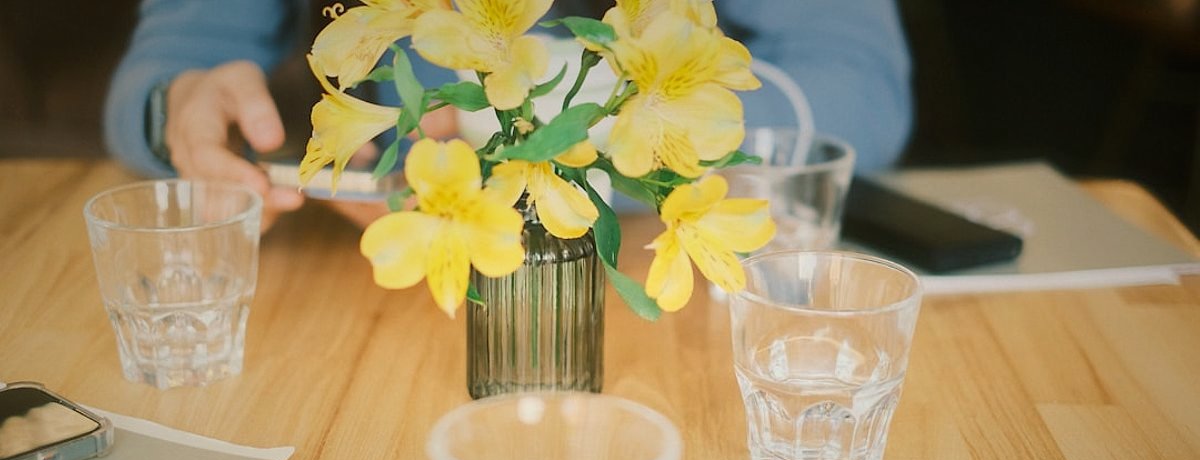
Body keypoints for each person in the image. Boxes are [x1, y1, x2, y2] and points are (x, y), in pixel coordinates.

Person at [104, 0, 911, 230]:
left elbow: (859, 83)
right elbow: (177, 52)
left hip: (658, 286)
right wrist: (173, 108)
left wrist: (581, 140)